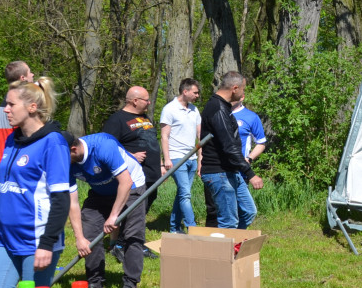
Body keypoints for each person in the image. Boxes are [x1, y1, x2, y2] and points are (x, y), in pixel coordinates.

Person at [0, 78, 70, 288]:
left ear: (32, 108)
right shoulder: (12, 141)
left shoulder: (53, 142)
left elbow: (61, 198)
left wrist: (47, 244)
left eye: (11, 104)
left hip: (36, 242)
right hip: (7, 239)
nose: (6, 109)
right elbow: (0, 187)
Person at [65, 132, 147, 288]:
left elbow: (126, 182)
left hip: (131, 186)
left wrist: (113, 216)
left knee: (132, 234)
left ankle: (130, 285)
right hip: (100, 192)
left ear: (73, 149)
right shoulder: (66, 163)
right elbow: (72, 203)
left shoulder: (103, 147)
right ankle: (95, 282)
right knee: (89, 232)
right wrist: (79, 238)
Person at [200, 71, 264, 228]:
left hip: (231, 170)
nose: (244, 93)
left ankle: (233, 244)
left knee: (248, 211)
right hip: (218, 172)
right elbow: (229, 147)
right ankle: (222, 250)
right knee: (228, 221)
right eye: (243, 89)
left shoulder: (224, 107)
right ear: (235, 88)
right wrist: (250, 174)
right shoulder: (218, 109)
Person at [102, 86, 161, 212]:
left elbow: (152, 141)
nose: (149, 103)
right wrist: (130, 156)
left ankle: (134, 230)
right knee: (134, 211)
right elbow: (106, 147)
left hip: (151, 175)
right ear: (135, 101)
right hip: (134, 177)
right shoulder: (116, 120)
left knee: (145, 207)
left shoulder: (145, 117)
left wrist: (160, 164)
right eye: (146, 100)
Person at [159, 78, 202, 233]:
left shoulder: (194, 110)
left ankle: (174, 227)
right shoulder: (169, 109)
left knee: (182, 194)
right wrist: (166, 159)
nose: (197, 95)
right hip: (177, 158)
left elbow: (200, 136)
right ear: (185, 91)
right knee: (185, 195)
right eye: (195, 92)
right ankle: (193, 228)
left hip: (192, 158)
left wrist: (200, 159)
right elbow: (164, 136)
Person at [231, 87, 267, 228]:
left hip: (241, 170)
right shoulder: (222, 114)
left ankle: (236, 238)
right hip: (222, 170)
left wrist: (249, 158)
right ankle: (229, 241)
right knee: (229, 212)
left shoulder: (251, 117)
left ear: (242, 97)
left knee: (247, 211)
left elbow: (261, 143)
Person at [0, 61, 35, 161]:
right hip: (20, 163)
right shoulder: (19, 107)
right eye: (30, 72)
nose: (32, 74)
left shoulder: (4, 106)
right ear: (23, 78)